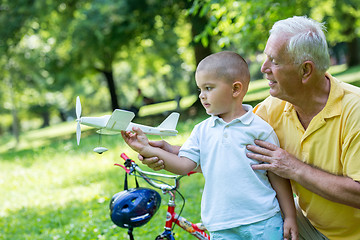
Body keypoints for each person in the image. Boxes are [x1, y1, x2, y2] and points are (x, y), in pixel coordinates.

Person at [139, 16, 360, 240]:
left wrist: (293, 167)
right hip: (308, 223)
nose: (264, 68)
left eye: (274, 61)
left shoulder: (355, 110)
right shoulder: (272, 110)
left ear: (305, 71)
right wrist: (170, 152)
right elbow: (232, 148)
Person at [122, 51, 298, 240]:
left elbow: (278, 177)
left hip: (263, 221)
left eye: (208, 88)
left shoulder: (260, 130)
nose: (202, 96)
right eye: (200, 89)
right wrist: (145, 148)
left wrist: (290, 217)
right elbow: (183, 165)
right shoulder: (202, 130)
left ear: (235, 89)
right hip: (221, 226)